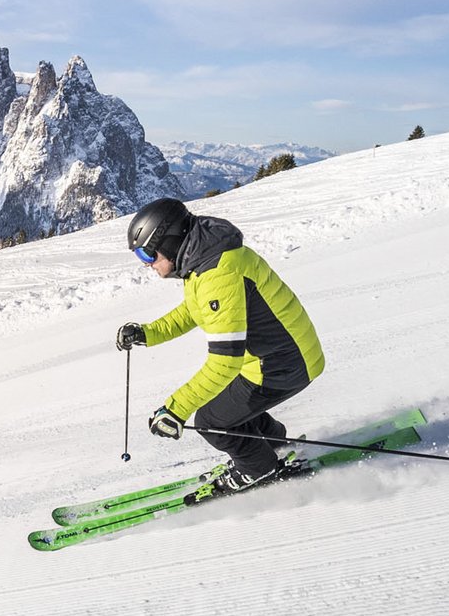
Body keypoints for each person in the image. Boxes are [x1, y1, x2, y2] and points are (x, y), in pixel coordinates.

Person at [115, 197, 326, 493]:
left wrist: (174, 410)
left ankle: (259, 468)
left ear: (169, 242)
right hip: (278, 356)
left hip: (282, 363)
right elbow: (194, 310)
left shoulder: (217, 274)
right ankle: (273, 447)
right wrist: (148, 333)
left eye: (146, 255)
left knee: (210, 420)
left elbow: (225, 361)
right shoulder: (205, 259)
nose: (147, 265)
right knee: (226, 408)